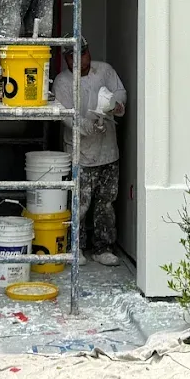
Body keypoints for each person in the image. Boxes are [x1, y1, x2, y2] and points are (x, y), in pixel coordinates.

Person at [52, 38, 126, 266]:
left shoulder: (104, 71)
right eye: (72, 56)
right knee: (80, 203)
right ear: (65, 58)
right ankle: (77, 246)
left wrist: (115, 105)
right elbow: (64, 115)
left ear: (87, 52)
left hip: (107, 150)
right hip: (80, 152)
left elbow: (120, 92)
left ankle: (103, 247)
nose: (78, 60)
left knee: (106, 202)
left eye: (82, 54)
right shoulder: (63, 82)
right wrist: (86, 125)